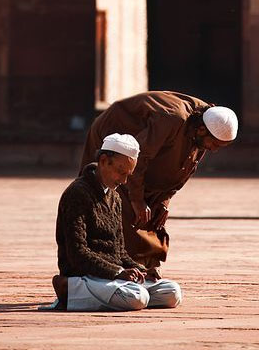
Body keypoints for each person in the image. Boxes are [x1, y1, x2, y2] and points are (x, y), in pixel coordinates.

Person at [80, 91, 238, 269]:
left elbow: (183, 169)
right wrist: (138, 201)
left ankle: (144, 264)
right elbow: (137, 158)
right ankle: (113, 265)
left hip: (142, 149)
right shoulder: (171, 119)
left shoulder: (205, 124)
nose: (214, 150)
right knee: (120, 201)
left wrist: (164, 200)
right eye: (215, 144)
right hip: (112, 139)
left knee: (152, 212)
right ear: (201, 130)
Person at [49, 133, 182, 311]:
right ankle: (69, 288)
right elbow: (77, 253)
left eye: (128, 175)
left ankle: (83, 296)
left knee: (172, 292)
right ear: (104, 161)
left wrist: (141, 269)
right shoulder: (77, 193)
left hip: (113, 278)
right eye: (121, 172)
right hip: (87, 276)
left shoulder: (115, 197)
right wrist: (118, 272)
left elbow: (119, 252)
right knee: (137, 297)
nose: (124, 180)